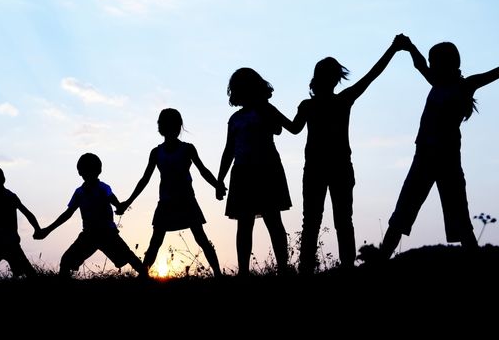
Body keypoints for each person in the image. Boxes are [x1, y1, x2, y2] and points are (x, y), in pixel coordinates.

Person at [287, 36, 404, 274]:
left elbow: (292, 128)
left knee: (315, 222)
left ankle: (310, 269)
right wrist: (393, 49)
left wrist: (393, 49)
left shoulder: (311, 105)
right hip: (333, 168)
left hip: (322, 169)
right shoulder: (338, 101)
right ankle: (344, 267)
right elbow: (372, 76)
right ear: (333, 79)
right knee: (339, 221)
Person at [377, 35, 499, 259]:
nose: (431, 66)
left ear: (447, 63)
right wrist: (409, 46)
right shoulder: (437, 81)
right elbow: (420, 64)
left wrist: (410, 47)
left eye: (435, 62)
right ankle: (382, 257)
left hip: (447, 160)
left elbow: (494, 73)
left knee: (459, 216)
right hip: (424, 156)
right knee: (404, 209)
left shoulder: (464, 86)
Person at [120, 108, 225, 277]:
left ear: (177, 127)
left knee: (201, 240)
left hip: (186, 201)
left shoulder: (188, 149)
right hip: (167, 202)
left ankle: (219, 274)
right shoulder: (156, 153)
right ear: (162, 127)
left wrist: (217, 185)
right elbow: (144, 180)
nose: (169, 128)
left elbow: (203, 170)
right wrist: (128, 201)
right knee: (156, 242)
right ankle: (143, 276)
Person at [216, 67, 293, 277]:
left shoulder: (265, 110)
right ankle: (243, 272)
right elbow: (228, 150)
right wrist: (219, 179)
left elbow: (282, 128)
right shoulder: (235, 119)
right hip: (242, 172)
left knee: (272, 220)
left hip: (266, 169)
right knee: (245, 223)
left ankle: (283, 268)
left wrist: (266, 111)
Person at [34, 153, 148, 279]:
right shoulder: (80, 192)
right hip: (89, 235)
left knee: (128, 256)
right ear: (80, 172)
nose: (88, 174)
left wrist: (120, 207)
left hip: (107, 234)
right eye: (85, 170)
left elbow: (116, 203)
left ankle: (145, 277)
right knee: (66, 260)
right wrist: (48, 230)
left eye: (90, 170)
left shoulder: (103, 188)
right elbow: (68, 214)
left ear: (97, 171)